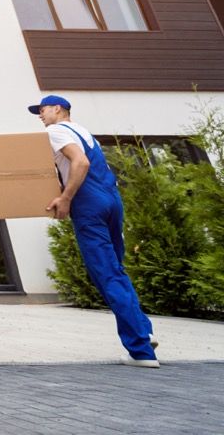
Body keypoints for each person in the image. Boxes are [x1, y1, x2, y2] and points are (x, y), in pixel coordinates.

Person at [30, 95, 159, 367]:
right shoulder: (85, 132)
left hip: (89, 203)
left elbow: (81, 163)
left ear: (57, 109)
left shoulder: (54, 131)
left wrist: (65, 198)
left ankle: (141, 350)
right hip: (111, 199)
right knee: (115, 269)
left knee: (106, 273)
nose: (40, 116)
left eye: (42, 110)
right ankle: (142, 328)